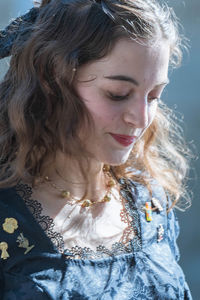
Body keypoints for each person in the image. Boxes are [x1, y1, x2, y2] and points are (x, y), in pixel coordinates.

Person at [0, 0, 193, 299]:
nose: (141, 119)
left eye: (154, 96)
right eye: (118, 94)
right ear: (52, 80)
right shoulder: (7, 218)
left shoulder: (149, 201)